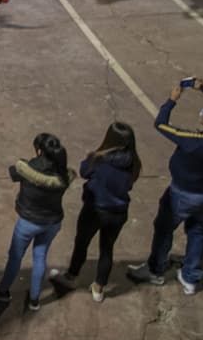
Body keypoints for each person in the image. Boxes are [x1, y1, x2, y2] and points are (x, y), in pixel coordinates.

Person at [128, 77, 203, 295]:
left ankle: (155, 270)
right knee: (197, 231)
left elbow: (160, 124)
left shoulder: (196, 141)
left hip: (183, 194)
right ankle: (190, 278)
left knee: (164, 229)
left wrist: (171, 101)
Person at [0, 133, 74, 311]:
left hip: (29, 222)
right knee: (40, 256)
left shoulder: (30, 167)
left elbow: (13, 172)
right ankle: (34, 300)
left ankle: (3, 292)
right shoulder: (63, 173)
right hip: (52, 222)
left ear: (39, 151)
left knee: (15, 257)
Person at [48, 123, 140, 302]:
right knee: (106, 248)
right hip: (118, 212)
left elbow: (83, 171)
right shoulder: (133, 162)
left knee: (82, 242)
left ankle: (72, 276)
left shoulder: (99, 159)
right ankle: (99, 287)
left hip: (95, 209)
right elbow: (129, 184)